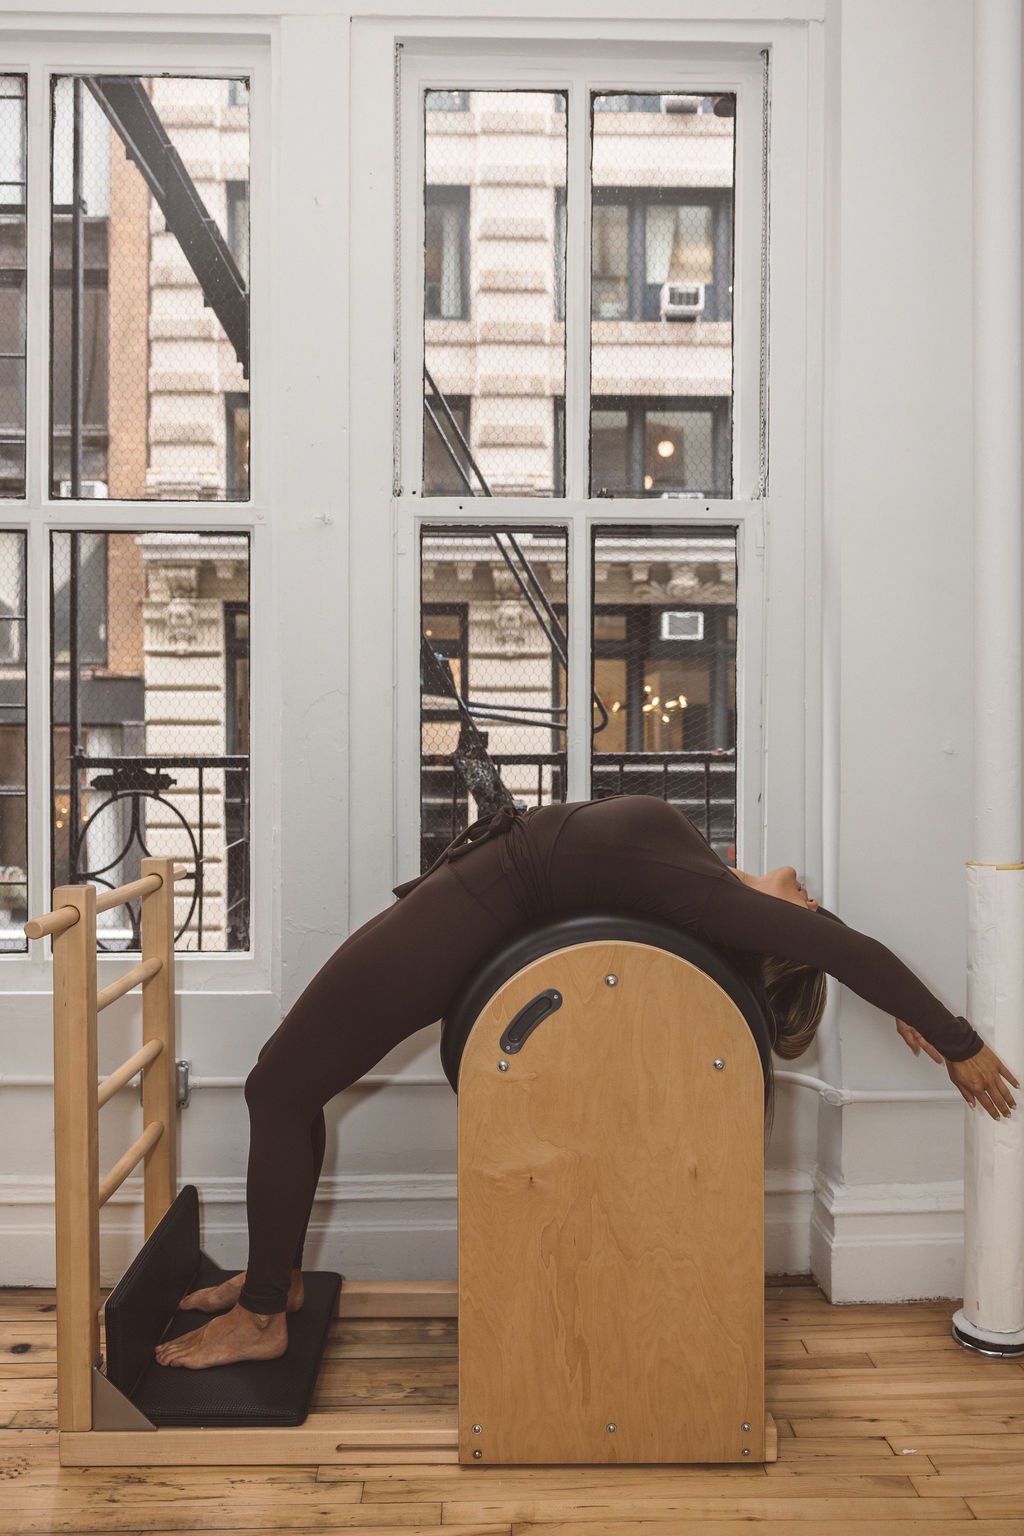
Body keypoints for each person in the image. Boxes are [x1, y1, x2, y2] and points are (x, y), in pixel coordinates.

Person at [154, 792, 1018, 1371]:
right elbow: (822, 934)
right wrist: (849, 955)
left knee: (277, 1088)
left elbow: (835, 947)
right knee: (287, 1087)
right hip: (468, 891)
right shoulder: (711, 885)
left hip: (471, 911)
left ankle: (265, 1315)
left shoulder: (717, 901)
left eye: (809, 901)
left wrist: (956, 1039)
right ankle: (276, 1282)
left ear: (774, 929)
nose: (813, 892)